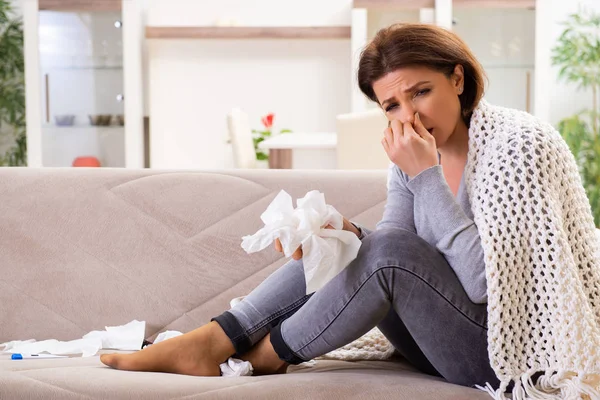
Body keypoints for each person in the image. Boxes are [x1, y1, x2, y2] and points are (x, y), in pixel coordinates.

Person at [99, 23, 576, 393]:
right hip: (433, 338)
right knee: (350, 242)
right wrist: (345, 234)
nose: (407, 116)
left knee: (383, 249)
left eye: (421, 92)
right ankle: (219, 338)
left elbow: (482, 285)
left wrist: (425, 176)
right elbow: (398, 243)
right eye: (391, 105)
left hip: (504, 353)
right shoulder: (411, 150)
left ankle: (262, 356)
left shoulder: (518, 145)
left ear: (457, 78)